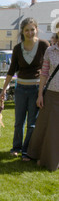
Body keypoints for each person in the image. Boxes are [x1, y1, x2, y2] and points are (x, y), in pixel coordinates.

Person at [0, 18, 49, 161]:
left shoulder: (43, 45)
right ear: (22, 31)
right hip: (20, 88)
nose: (29, 32)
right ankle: (16, 148)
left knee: (32, 123)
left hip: (36, 89)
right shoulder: (17, 48)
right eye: (26, 30)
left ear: (36, 29)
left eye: (32, 29)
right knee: (19, 121)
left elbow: (48, 68)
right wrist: (3, 90)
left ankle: (27, 151)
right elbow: (11, 70)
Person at [27, 29, 59, 171]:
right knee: (50, 128)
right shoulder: (50, 50)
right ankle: (47, 159)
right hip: (52, 94)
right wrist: (40, 94)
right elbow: (44, 73)